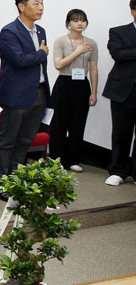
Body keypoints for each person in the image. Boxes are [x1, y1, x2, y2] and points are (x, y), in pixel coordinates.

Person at [0, 0, 50, 193]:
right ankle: (1, 184)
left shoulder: (41, 31)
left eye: (42, 3)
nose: (40, 7)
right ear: (22, 6)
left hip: (39, 92)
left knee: (25, 140)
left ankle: (16, 181)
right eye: (36, 3)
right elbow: (19, 60)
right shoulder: (10, 31)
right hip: (17, 95)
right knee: (7, 140)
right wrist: (41, 53)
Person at [49, 9, 98, 174]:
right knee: (59, 124)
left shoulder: (91, 43)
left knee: (78, 123)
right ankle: (56, 160)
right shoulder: (61, 41)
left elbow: (93, 68)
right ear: (68, 23)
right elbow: (58, 64)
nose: (79, 23)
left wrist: (94, 92)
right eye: (75, 20)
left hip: (82, 85)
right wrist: (77, 51)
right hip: (64, 83)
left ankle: (73, 160)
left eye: (83, 20)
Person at [103, 0, 136, 186]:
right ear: (133, 11)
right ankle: (118, 171)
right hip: (123, 91)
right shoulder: (118, 31)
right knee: (121, 133)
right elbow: (118, 54)